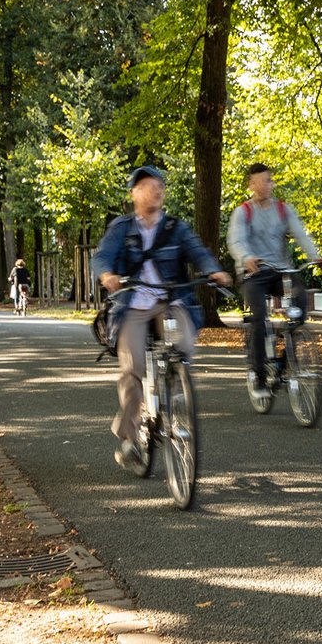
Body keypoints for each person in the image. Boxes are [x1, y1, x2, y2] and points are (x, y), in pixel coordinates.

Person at [95, 166, 231, 472]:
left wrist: (213, 270)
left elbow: (198, 251)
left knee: (181, 349)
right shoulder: (121, 227)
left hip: (169, 301)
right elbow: (102, 255)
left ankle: (174, 396)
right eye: (146, 185)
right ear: (134, 193)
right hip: (132, 306)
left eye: (159, 185)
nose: (155, 190)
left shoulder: (175, 227)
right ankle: (130, 439)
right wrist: (107, 274)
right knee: (133, 371)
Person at [227, 163, 322, 401]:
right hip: (254, 273)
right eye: (260, 181)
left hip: (281, 271)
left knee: (301, 303)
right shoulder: (244, 212)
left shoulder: (283, 210)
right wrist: (246, 258)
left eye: (268, 181)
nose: (265, 185)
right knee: (259, 318)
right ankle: (259, 374)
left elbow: (301, 234)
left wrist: (316, 256)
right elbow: (236, 241)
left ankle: (285, 355)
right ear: (251, 185)